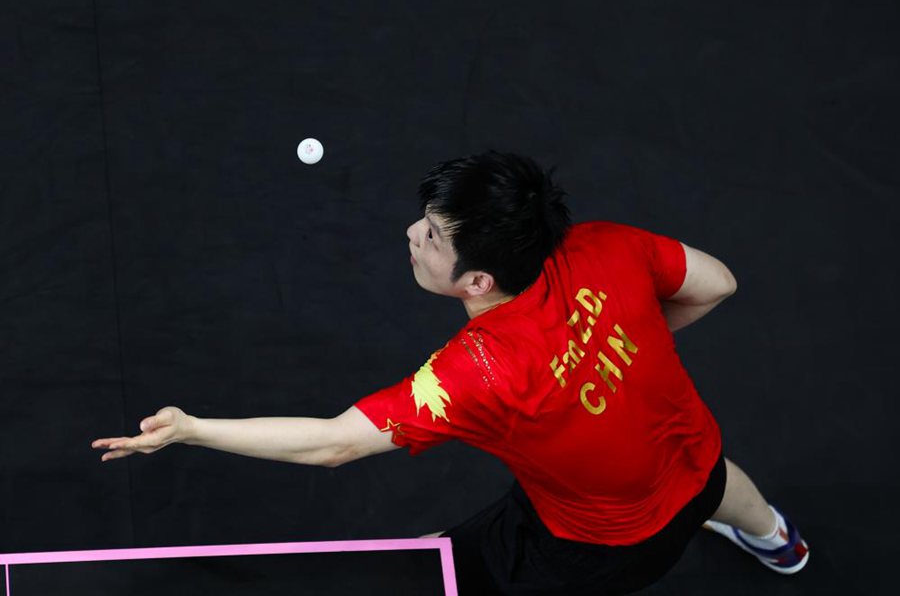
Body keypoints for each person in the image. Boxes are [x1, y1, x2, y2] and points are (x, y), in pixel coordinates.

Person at [92, 151, 810, 594]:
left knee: (472, 574)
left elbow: (333, 443)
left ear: (477, 281)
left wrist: (191, 429)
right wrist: (629, 339)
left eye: (432, 237)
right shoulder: (603, 244)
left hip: (598, 547)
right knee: (717, 486)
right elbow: (717, 283)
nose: (412, 235)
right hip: (697, 458)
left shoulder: (477, 373)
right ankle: (779, 540)